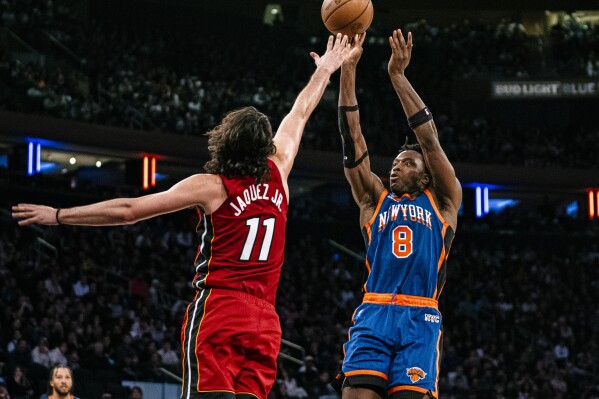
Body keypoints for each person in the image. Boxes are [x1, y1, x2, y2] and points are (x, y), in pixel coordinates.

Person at [13, 34, 353, 399]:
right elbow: (300, 111)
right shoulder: (280, 169)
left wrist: (60, 214)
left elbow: (129, 211)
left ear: (226, 141)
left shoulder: (212, 186)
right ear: (265, 145)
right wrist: (326, 69)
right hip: (266, 321)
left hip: (221, 308)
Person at [333, 30, 462, 399]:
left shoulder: (444, 201)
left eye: (406, 164)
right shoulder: (375, 201)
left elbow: (429, 140)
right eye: (394, 163)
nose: (395, 168)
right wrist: (348, 70)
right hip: (374, 312)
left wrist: (397, 76)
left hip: (420, 317)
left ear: (424, 175)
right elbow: (352, 140)